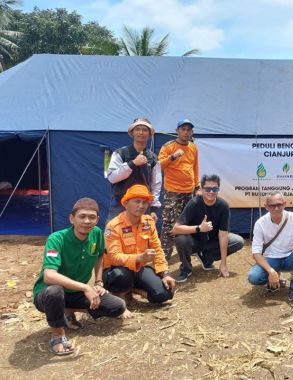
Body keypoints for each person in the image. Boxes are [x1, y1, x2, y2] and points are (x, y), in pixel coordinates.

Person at [33, 198, 126, 355]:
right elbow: (49, 276)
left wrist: (98, 282)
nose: (87, 221)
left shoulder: (97, 234)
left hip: (75, 293)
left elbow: (99, 256)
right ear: (72, 218)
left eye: (92, 217)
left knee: (117, 307)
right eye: (82, 216)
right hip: (48, 294)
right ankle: (57, 335)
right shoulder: (57, 239)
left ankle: (67, 310)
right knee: (55, 291)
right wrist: (85, 287)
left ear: (97, 219)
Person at [104, 185, 175, 315]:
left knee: (165, 293)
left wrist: (165, 274)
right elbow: (114, 257)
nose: (141, 206)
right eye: (137, 201)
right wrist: (138, 258)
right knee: (121, 276)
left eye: (144, 202)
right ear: (125, 203)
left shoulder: (149, 222)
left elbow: (157, 250)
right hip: (117, 270)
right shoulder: (113, 226)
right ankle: (120, 300)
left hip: (140, 268)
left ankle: (133, 289)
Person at [172, 174, 244, 282]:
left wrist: (223, 264)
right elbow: (175, 229)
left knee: (238, 241)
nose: (211, 192)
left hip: (211, 242)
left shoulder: (223, 206)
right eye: (208, 189)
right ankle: (186, 269)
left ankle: (206, 258)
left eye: (214, 189)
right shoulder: (194, 203)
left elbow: (223, 234)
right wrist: (199, 228)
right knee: (181, 239)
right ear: (201, 189)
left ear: (218, 189)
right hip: (194, 242)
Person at [247, 191, 293, 302]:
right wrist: (270, 271)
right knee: (254, 277)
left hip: (290, 257)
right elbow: (256, 253)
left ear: (285, 204)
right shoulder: (260, 223)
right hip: (270, 259)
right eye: (272, 205)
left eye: (279, 204)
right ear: (266, 207)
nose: (277, 208)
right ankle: (273, 277)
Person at [158, 119, 200, 261]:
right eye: (183, 129)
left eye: (189, 130)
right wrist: (173, 157)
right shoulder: (168, 146)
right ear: (177, 131)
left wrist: (198, 187)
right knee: (169, 223)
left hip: (189, 191)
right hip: (173, 191)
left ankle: (186, 251)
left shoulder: (193, 147)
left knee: (187, 222)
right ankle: (164, 256)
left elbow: (195, 168)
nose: (186, 132)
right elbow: (159, 166)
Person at [105, 117, 162, 222]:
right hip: (120, 204)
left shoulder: (153, 158)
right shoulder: (120, 153)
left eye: (145, 130)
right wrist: (132, 164)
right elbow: (112, 177)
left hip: (143, 206)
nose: (141, 132)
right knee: (113, 235)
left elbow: (156, 184)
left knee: (143, 237)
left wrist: (154, 209)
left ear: (149, 134)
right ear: (132, 133)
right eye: (137, 129)